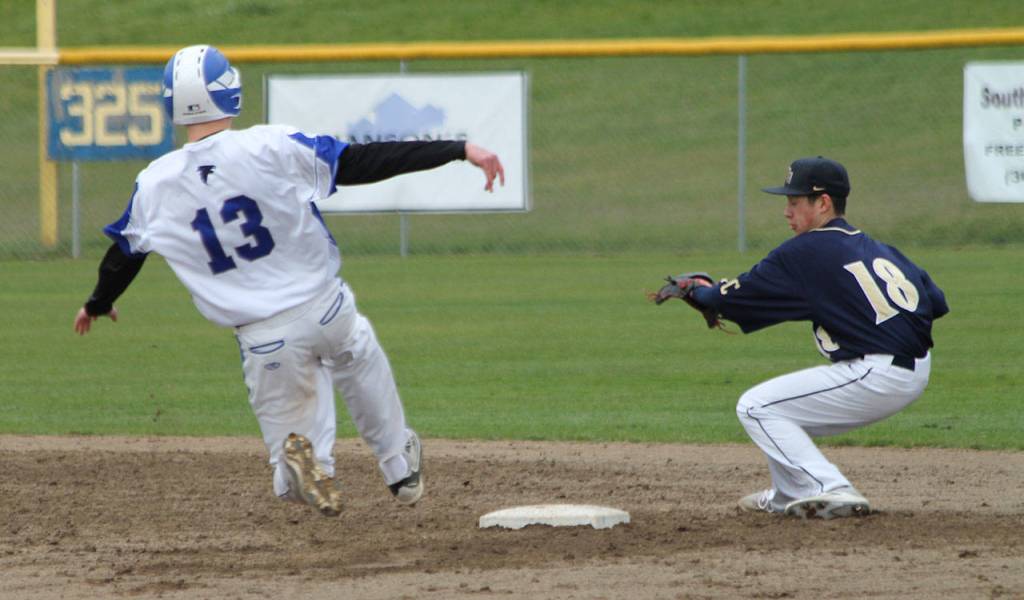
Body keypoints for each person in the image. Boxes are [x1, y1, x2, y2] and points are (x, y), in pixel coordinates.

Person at [72, 45, 505, 517]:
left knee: (290, 462)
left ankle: (305, 467)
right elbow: (363, 161)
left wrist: (98, 302)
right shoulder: (270, 145)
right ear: (229, 92)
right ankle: (398, 465)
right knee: (358, 357)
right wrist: (457, 149)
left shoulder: (155, 184)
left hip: (262, 338)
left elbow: (123, 255)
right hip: (325, 306)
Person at [684, 156, 948, 519]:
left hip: (877, 373)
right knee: (780, 410)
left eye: (795, 202)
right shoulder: (877, 247)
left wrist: (696, 292)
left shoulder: (805, 251)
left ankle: (830, 488)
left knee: (756, 407)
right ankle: (787, 495)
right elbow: (935, 301)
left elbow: (729, 297)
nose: (786, 212)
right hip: (914, 366)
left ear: (823, 203)